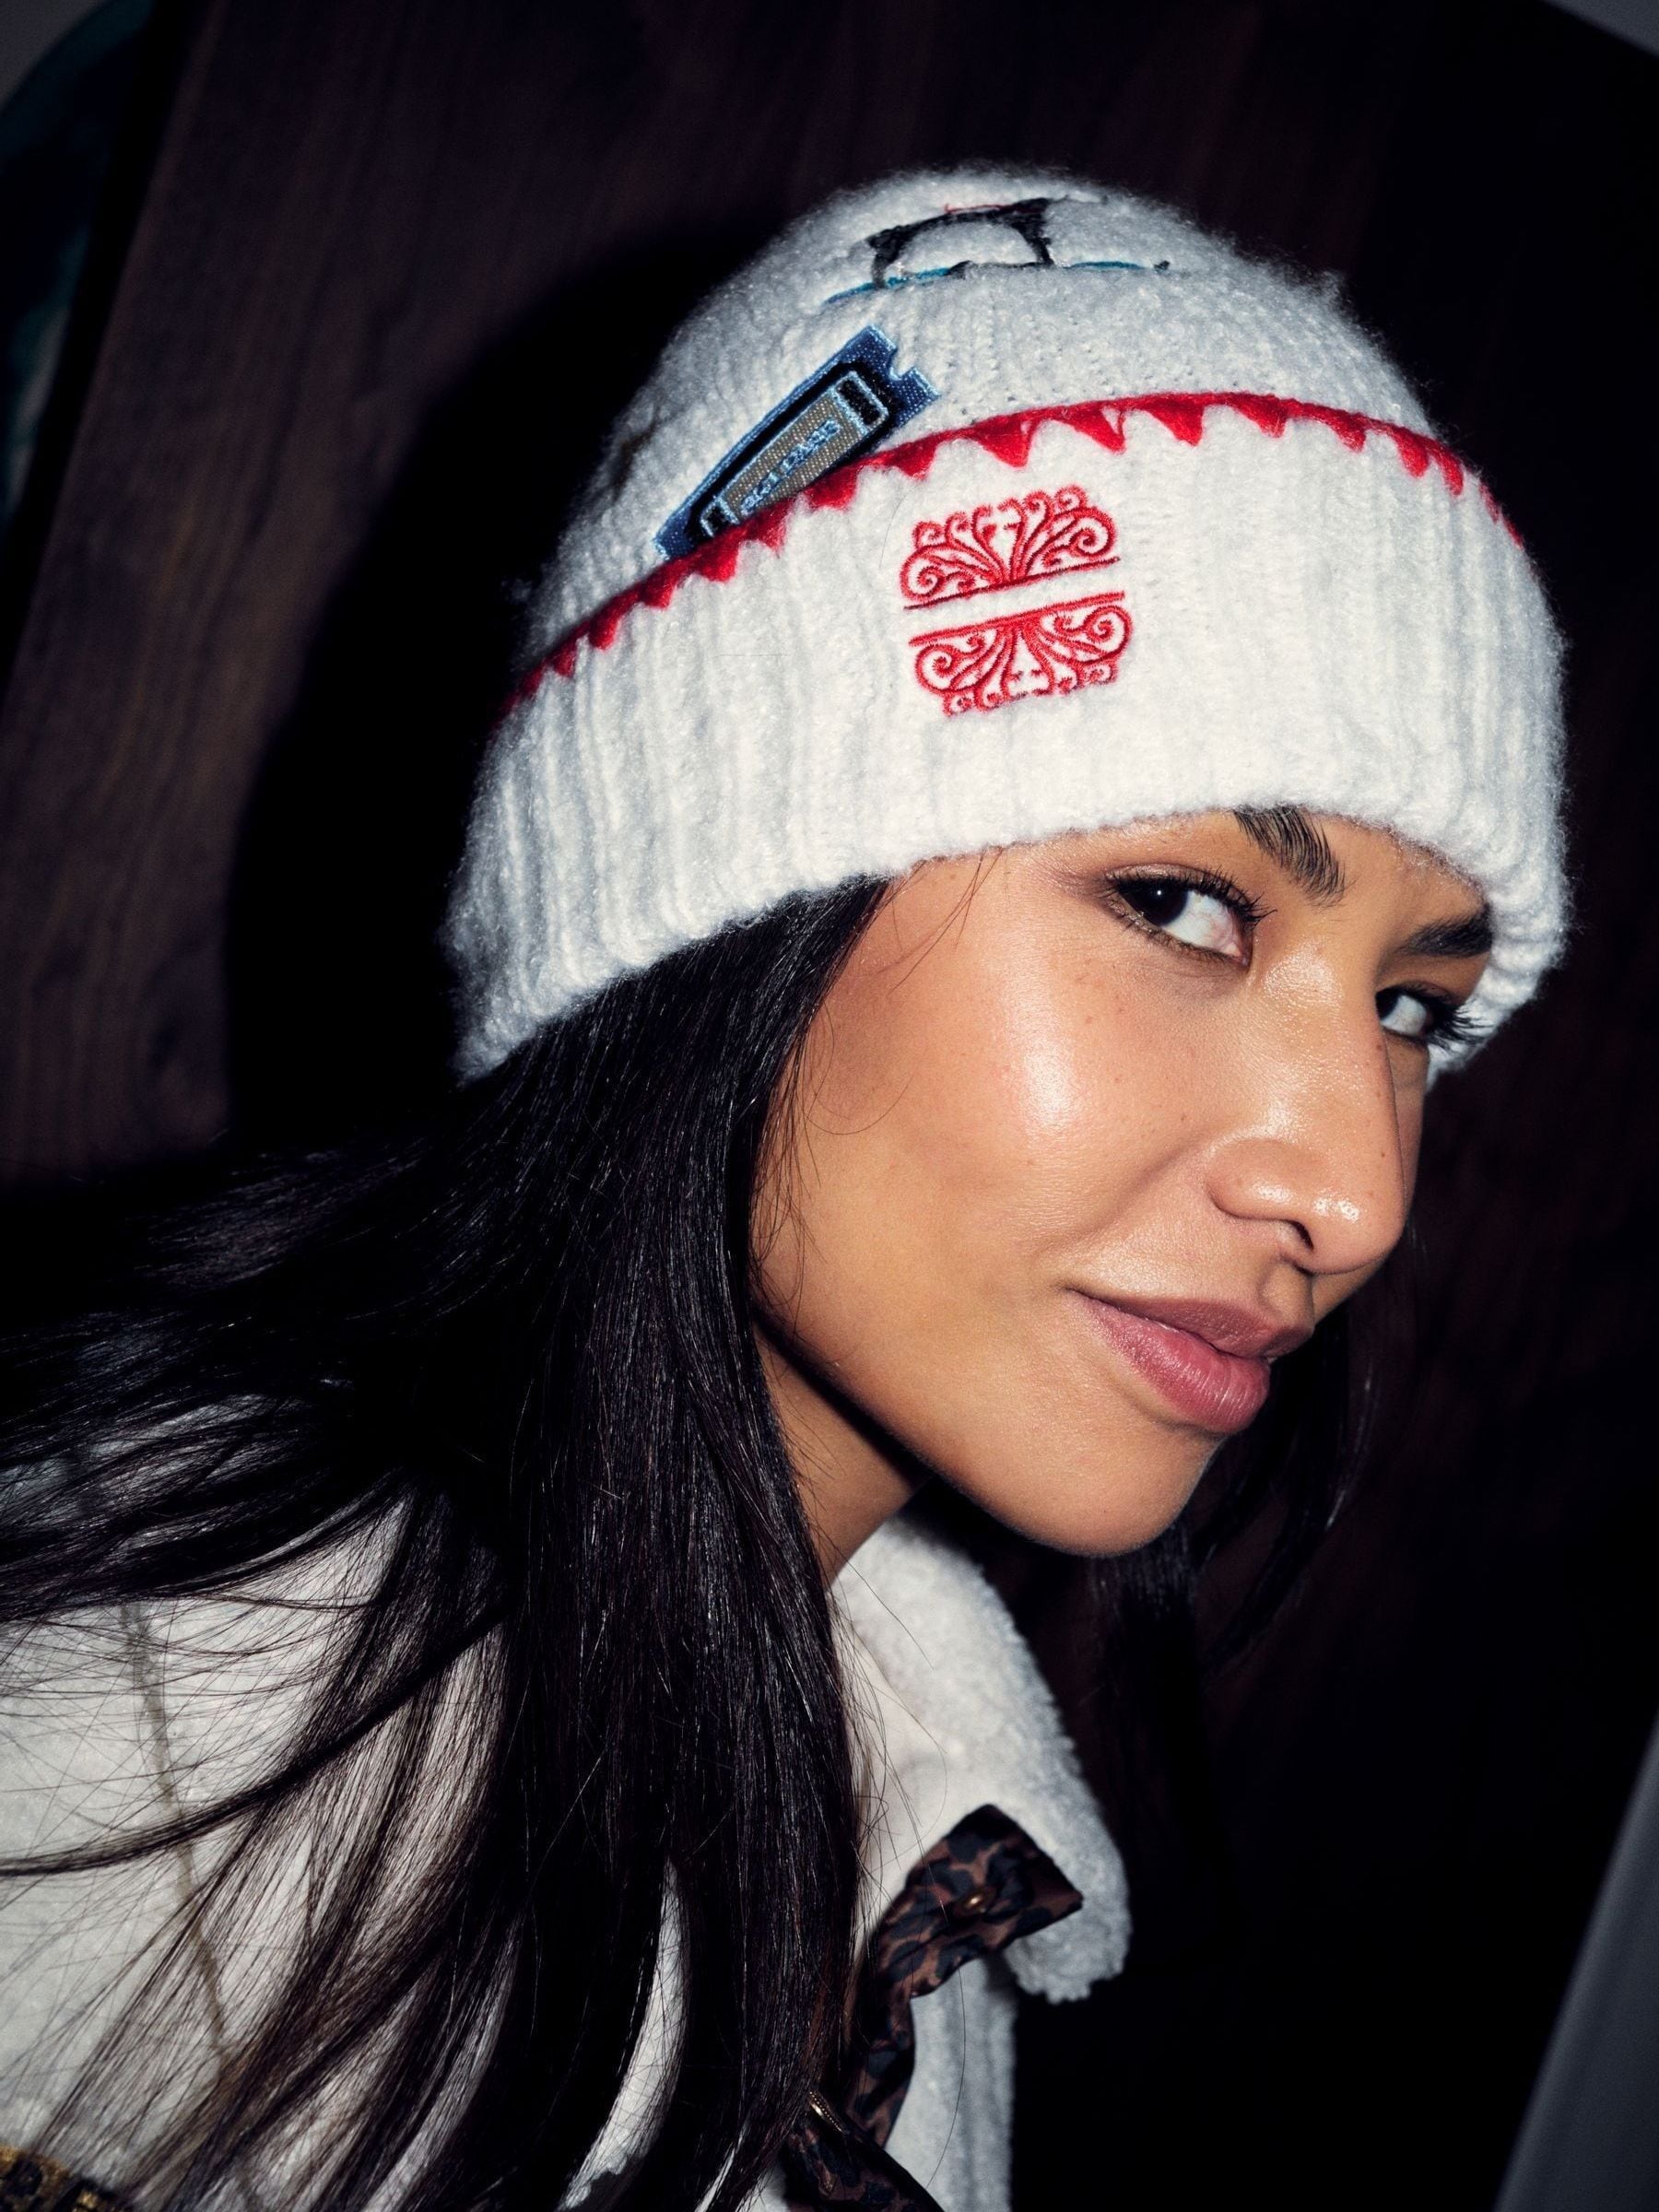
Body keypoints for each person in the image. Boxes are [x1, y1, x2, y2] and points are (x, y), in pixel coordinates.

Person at [0, 166, 1565, 2212]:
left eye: (1413, 1010)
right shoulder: (123, 1780)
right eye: (1182, 904)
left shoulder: (904, 1819)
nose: (1353, 1193)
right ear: (708, 885)